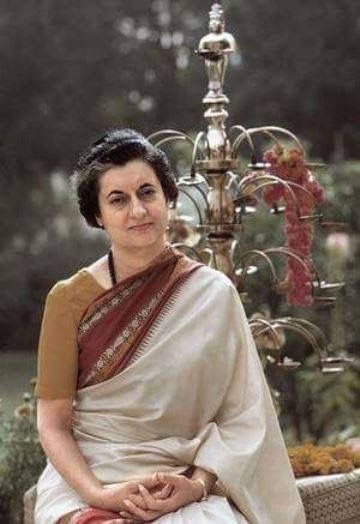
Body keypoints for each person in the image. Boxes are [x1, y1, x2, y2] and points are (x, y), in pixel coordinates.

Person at [34, 128, 306, 524]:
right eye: (117, 200)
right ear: (97, 216)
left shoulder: (213, 294)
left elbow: (242, 416)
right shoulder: (68, 301)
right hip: (90, 476)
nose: (138, 211)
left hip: (180, 478)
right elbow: (53, 424)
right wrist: (100, 494)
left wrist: (197, 485)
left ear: (168, 197)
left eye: (147, 192)